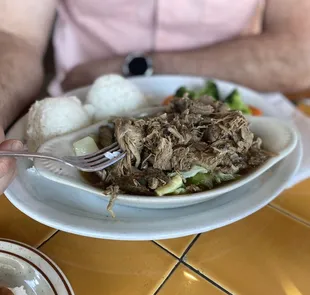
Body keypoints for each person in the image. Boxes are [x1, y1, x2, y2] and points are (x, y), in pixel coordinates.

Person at [0, 0, 309, 194]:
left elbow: (300, 53)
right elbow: (14, 35)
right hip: (72, 117)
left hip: (235, 151)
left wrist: (139, 66)